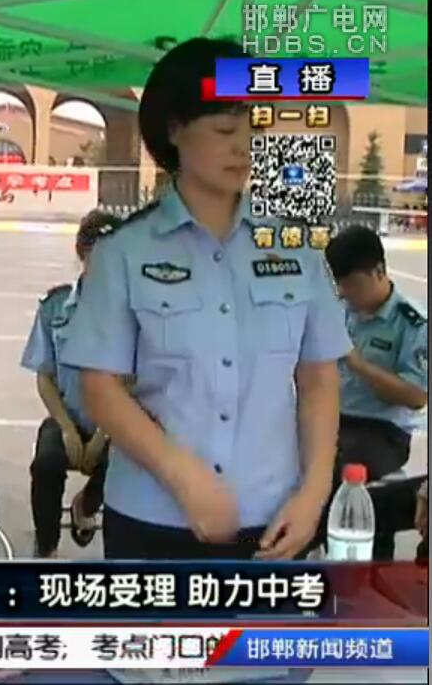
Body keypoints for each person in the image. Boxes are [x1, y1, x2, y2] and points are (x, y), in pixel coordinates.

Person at [61, 38, 351, 560]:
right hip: (152, 518)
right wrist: (183, 476)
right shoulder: (123, 252)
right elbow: (100, 387)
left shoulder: (297, 248)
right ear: (175, 130)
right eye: (223, 130)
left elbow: (319, 378)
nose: (244, 147)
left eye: (252, 127)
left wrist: (314, 494)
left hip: (274, 521)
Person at [21, 210, 123, 556]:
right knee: (46, 464)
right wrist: (67, 429)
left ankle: (87, 505)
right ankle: (46, 547)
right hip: (68, 416)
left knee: (130, 461)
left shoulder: (135, 312)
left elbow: (131, 384)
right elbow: (45, 376)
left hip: (116, 424)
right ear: (82, 253)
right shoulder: (55, 307)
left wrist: (102, 436)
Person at [323, 225, 428, 559]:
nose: (345, 293)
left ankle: (369, 570)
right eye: (340, 284)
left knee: (349, 483)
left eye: (353, 284)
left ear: (379, 272)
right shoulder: (340, 312)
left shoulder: (412, 324)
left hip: (381, 431)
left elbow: (417, 396)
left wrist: (358, 364)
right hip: (332, 419)